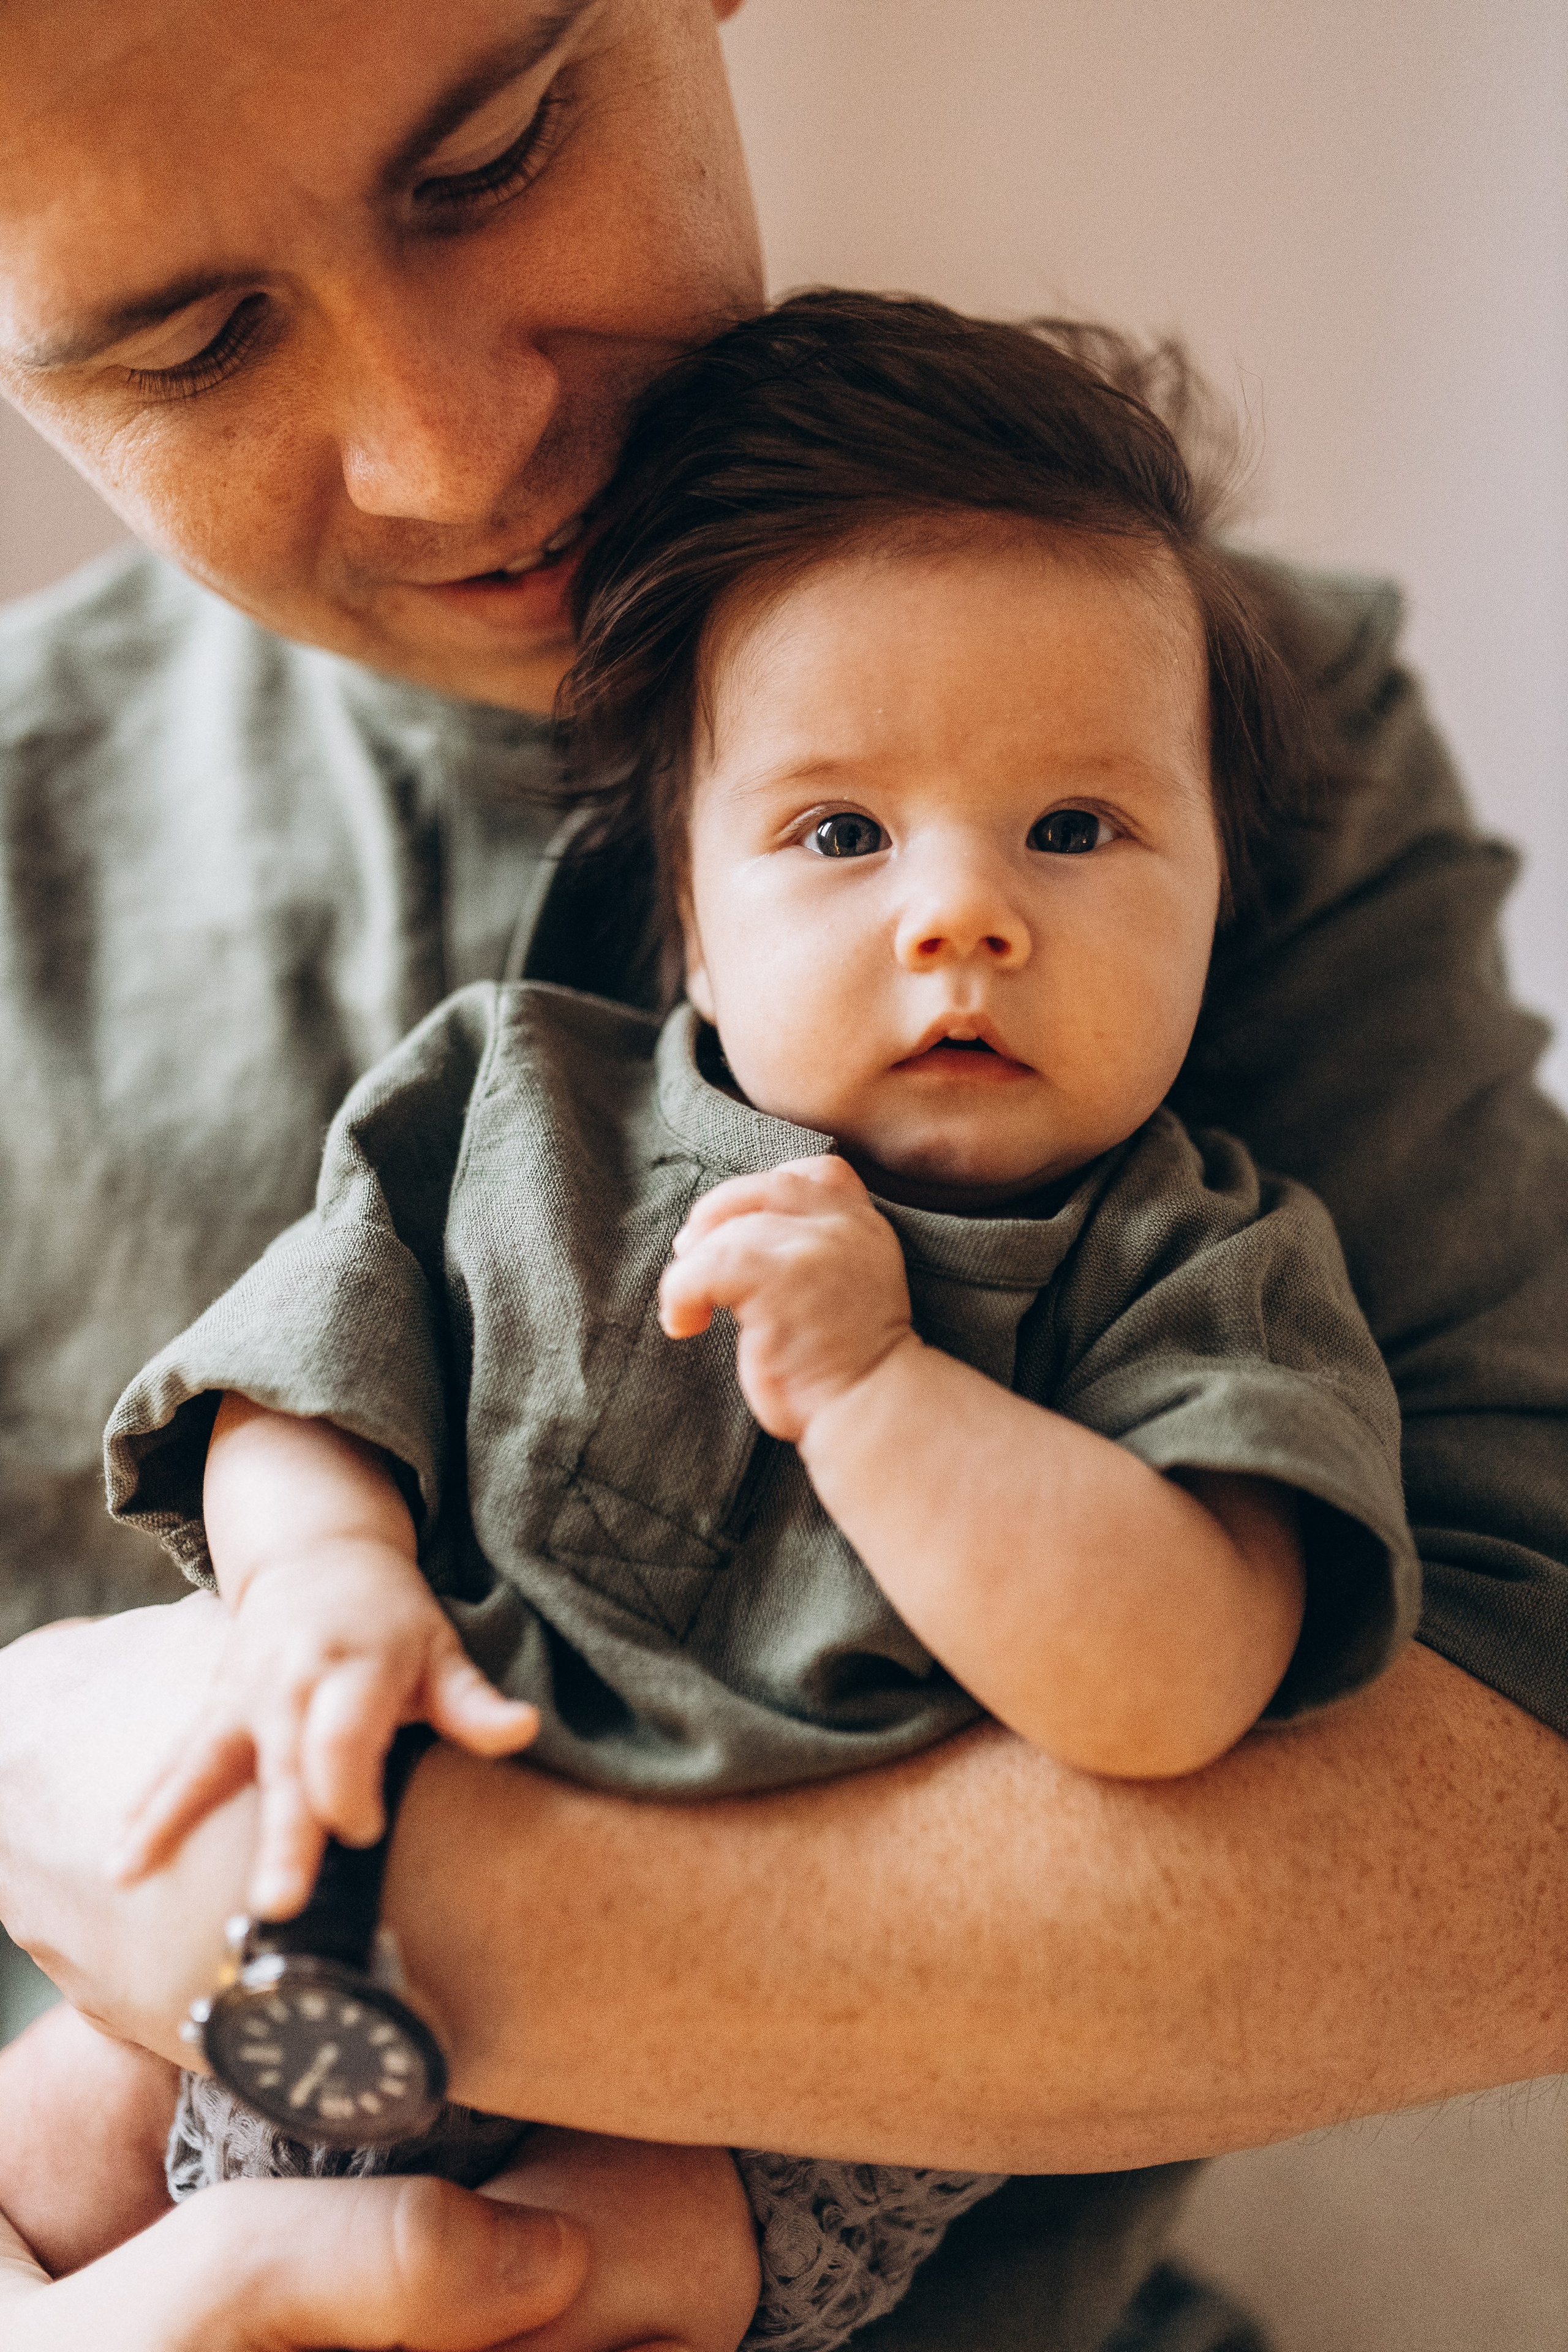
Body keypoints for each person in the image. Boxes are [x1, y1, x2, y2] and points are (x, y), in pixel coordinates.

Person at [0, 3, 1562, 2348]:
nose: (454, 454)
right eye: (194, 344)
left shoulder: (1226, 863)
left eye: (496, 153)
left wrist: (386, 1929)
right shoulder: (432, 1068)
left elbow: (1509, 1768)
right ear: (691, 905)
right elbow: (302, 1367)